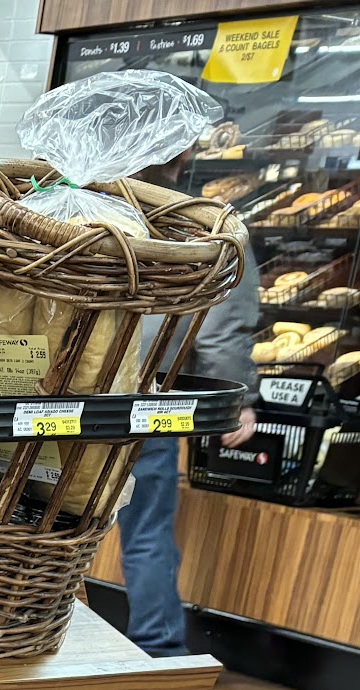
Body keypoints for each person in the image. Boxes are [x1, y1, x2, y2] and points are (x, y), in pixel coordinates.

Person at [120, 150, 259, 657]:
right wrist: (238, 400)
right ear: (182, 157)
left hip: (72, 390)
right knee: (147, 529)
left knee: (46, 515)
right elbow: (223, 330)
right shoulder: (210, 227)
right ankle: (158, 650)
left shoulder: (86, 210)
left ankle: (30, 627)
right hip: (151, 394)